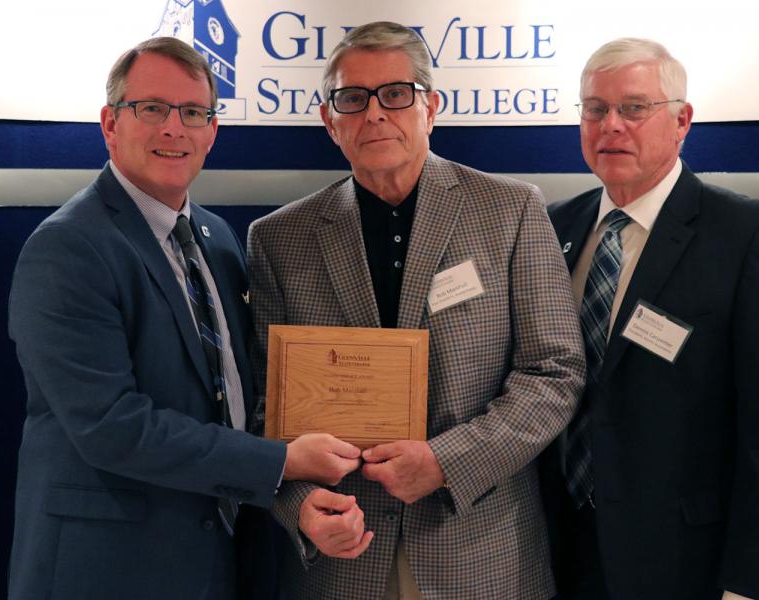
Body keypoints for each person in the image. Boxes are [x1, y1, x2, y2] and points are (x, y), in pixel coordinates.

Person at [7, 37, 365, 600]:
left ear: (212, 131)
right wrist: (283, 461)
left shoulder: (216, 240)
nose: (175, 128)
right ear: (110, 123)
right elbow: (112, 426)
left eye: (194, 112)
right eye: (152, 108)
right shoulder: (69, 247)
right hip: (107, 570)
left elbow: (234, 401)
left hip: (216, 562)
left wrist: (290, 495)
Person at [246, 20, 585, 600]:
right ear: (330, 121)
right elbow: (263, 406)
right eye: (353, 98)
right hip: (340, 563)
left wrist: (445, 462)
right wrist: (301, 507)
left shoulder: (511, 211)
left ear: (431, 106)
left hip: (483, 557)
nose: (375, 113)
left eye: (396, 94)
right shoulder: (279, 238)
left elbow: (554, 373)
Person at [540, 38, 759, 600]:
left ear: (681, 121)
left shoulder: (750, 236)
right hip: (555, 553)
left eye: (634, 108)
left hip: (685, 562)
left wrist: (755, 585)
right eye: (595, 109)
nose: (611, 126)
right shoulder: (549, 229)